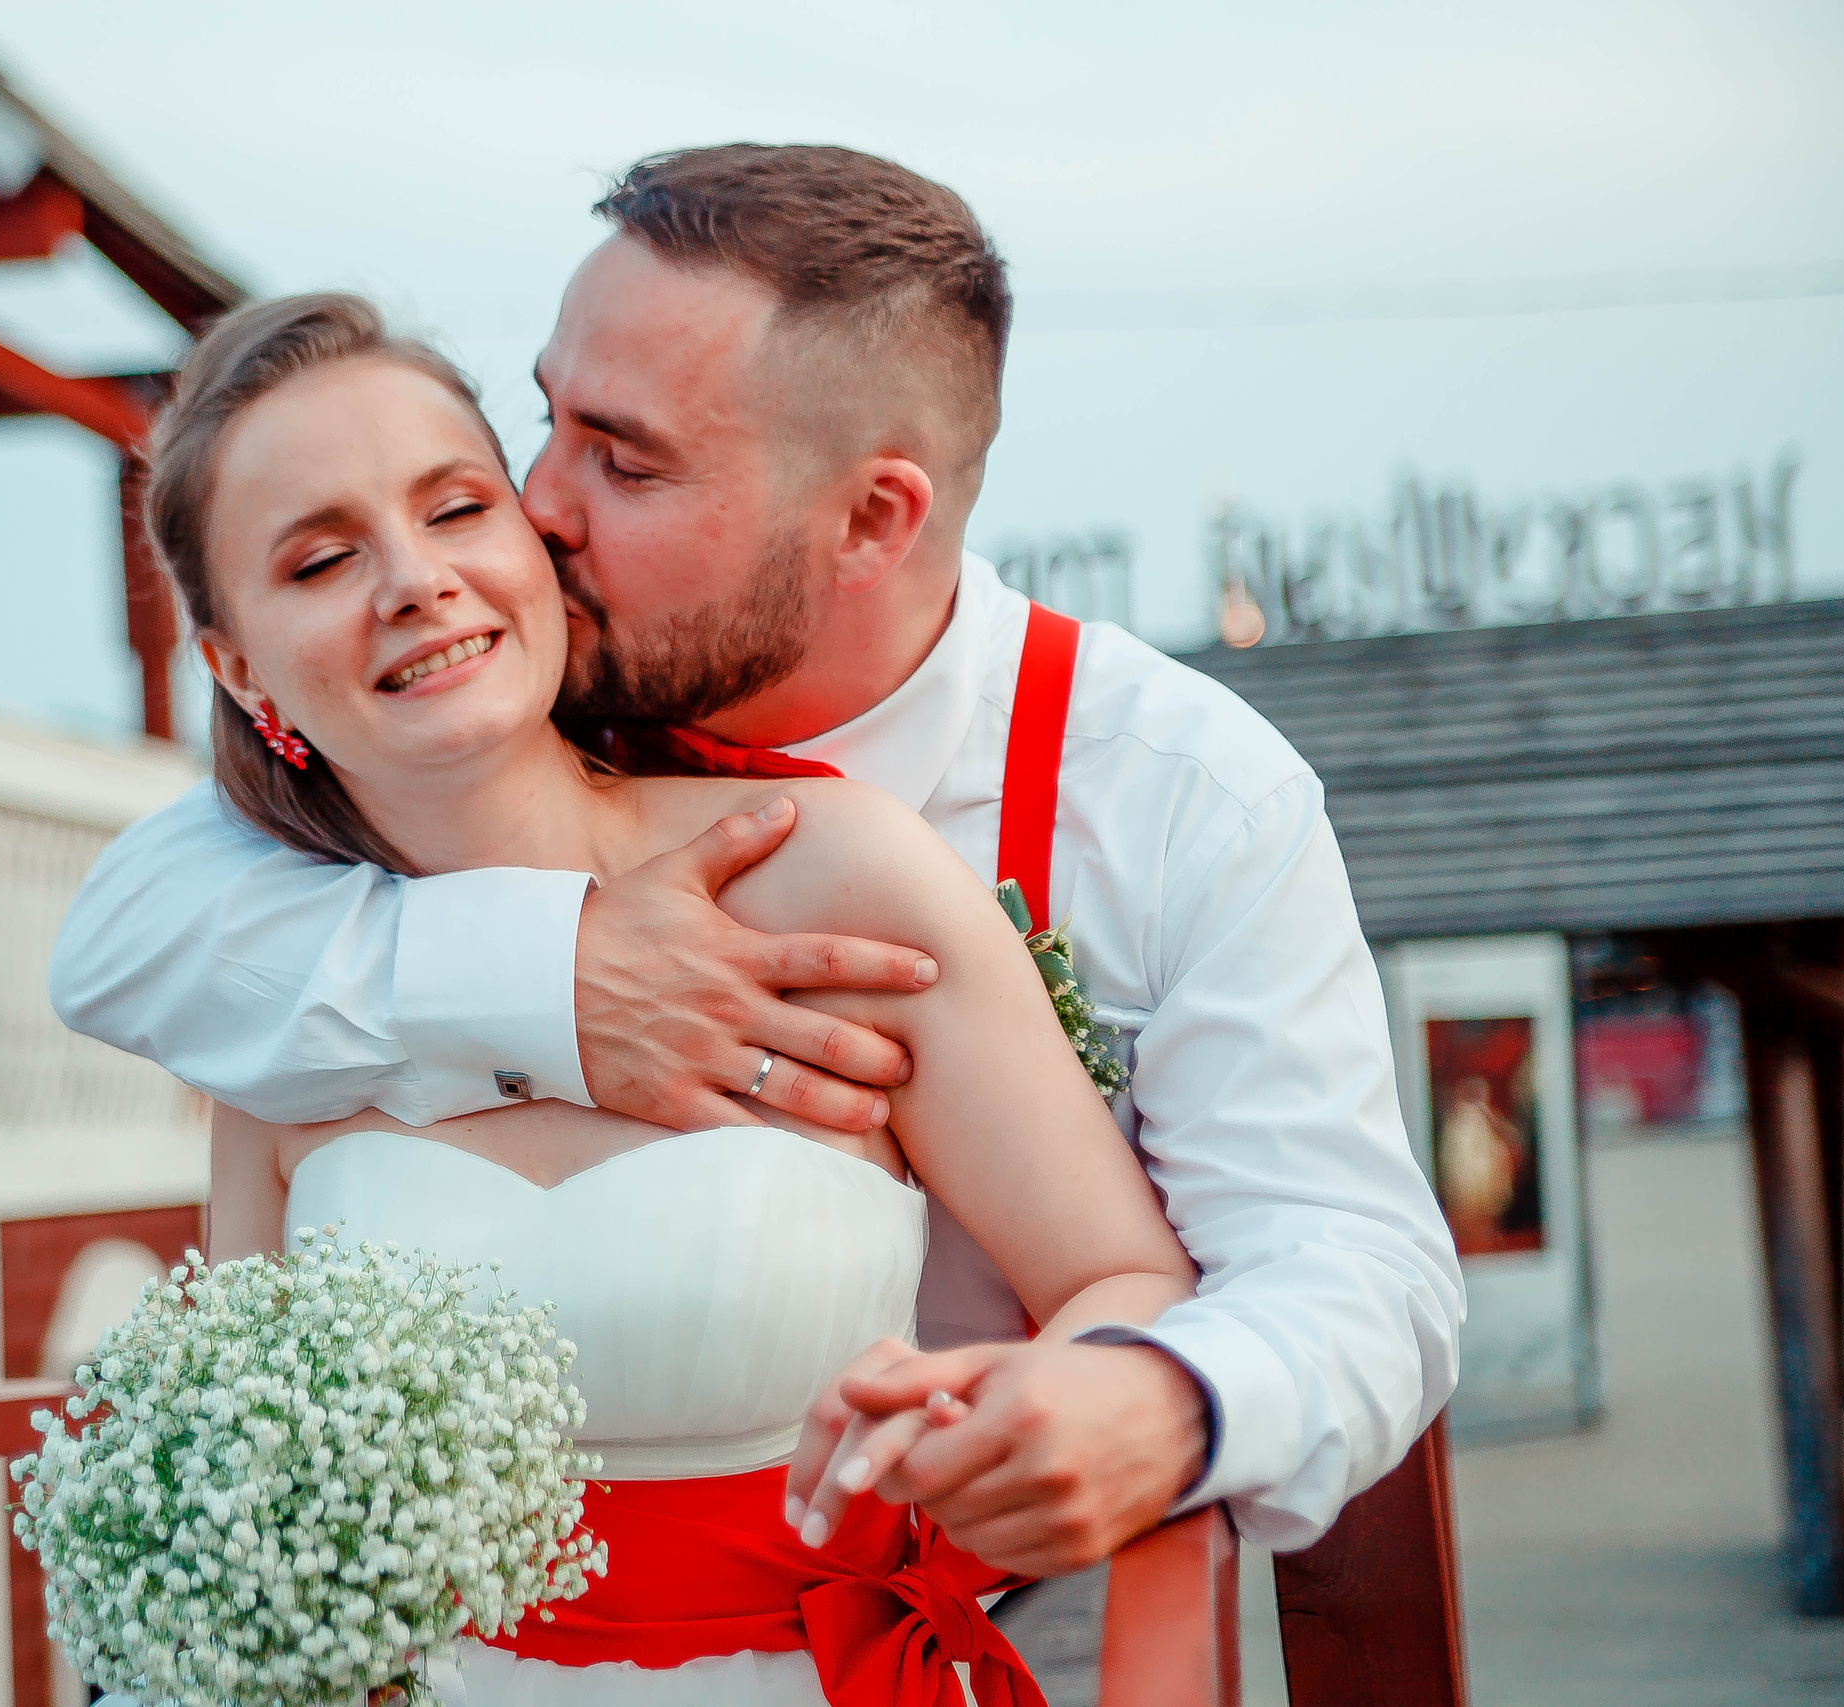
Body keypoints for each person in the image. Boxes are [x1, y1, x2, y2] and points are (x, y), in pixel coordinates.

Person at [53, 144, 1462, 1566]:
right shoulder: (484, 721)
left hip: (1013, 1580)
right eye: (543, 422)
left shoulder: (1175, 798)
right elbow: (119, 937)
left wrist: (1157, 1400)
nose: (534, 505)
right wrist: (557, 976)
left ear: (869, 518)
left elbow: (1351, 1263)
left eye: (624, 457)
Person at [166, 289, 1195, 1702]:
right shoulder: (272, 1007)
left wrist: (1012, 1413)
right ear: (237, 666)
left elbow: (1120, 1276)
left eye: (458, 508)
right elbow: (256, 1509)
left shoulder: (827, 878)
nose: (413, 579)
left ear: (534, 535)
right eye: (324, 558)